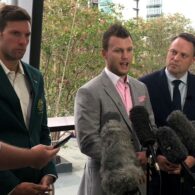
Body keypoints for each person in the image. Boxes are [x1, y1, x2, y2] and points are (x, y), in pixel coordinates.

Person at [74, 23, 155, 195]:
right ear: (104, 54)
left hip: (140, 184)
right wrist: (129, 159)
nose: (125, 56)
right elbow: (88, 142)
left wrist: (147, 152)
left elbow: (151, 129)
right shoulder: (88, 92)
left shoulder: (141, 88)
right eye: (118, 51)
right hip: (105, 186)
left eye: (129, 50)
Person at [0, 4, 57, 195]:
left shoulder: (35, 76)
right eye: (16, 33)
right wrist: (11, 187)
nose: (23, 41)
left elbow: (42, 130)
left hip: (37, 185)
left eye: (27, 35)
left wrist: (48, 174)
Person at [140, 33, 195, 195]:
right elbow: (138, 129)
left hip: (190, 180)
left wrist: (192, 159)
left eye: (183, 55)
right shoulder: (144, 85)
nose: (175, 58)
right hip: (157, 179)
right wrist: (155, 157)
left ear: (192, 60)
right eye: (173, 52)